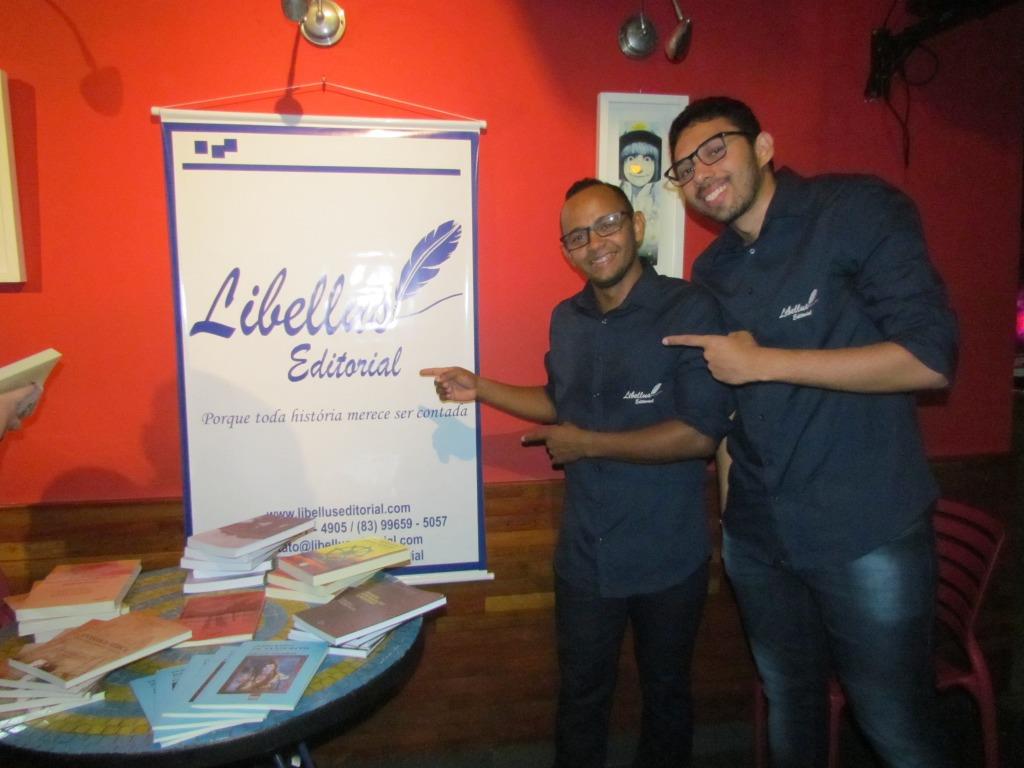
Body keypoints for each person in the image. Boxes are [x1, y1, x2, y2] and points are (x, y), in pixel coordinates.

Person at [662, 96, 958, 767]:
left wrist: (764, 361)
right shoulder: (713, 270)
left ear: (764, 147)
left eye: (714, 150)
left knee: (896, 727)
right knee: (790, 705)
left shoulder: (853, 210)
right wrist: (731, 522)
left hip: (865, 529)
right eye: (684, 168)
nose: (700, 173)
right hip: (760, 538)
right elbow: (734, 410)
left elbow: (929, 359)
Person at [421, 178, 733, 768]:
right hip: (587, 556)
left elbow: (700, 432)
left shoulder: (689, 308)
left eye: (607, 225)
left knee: (667, 697)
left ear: (637, 225)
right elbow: (558, 401)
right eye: (578, 236)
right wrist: (480, 387)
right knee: (581, 698)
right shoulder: (567, 319)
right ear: (567, 251)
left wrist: (586, 444)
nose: (595, 243)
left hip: (668, 554)